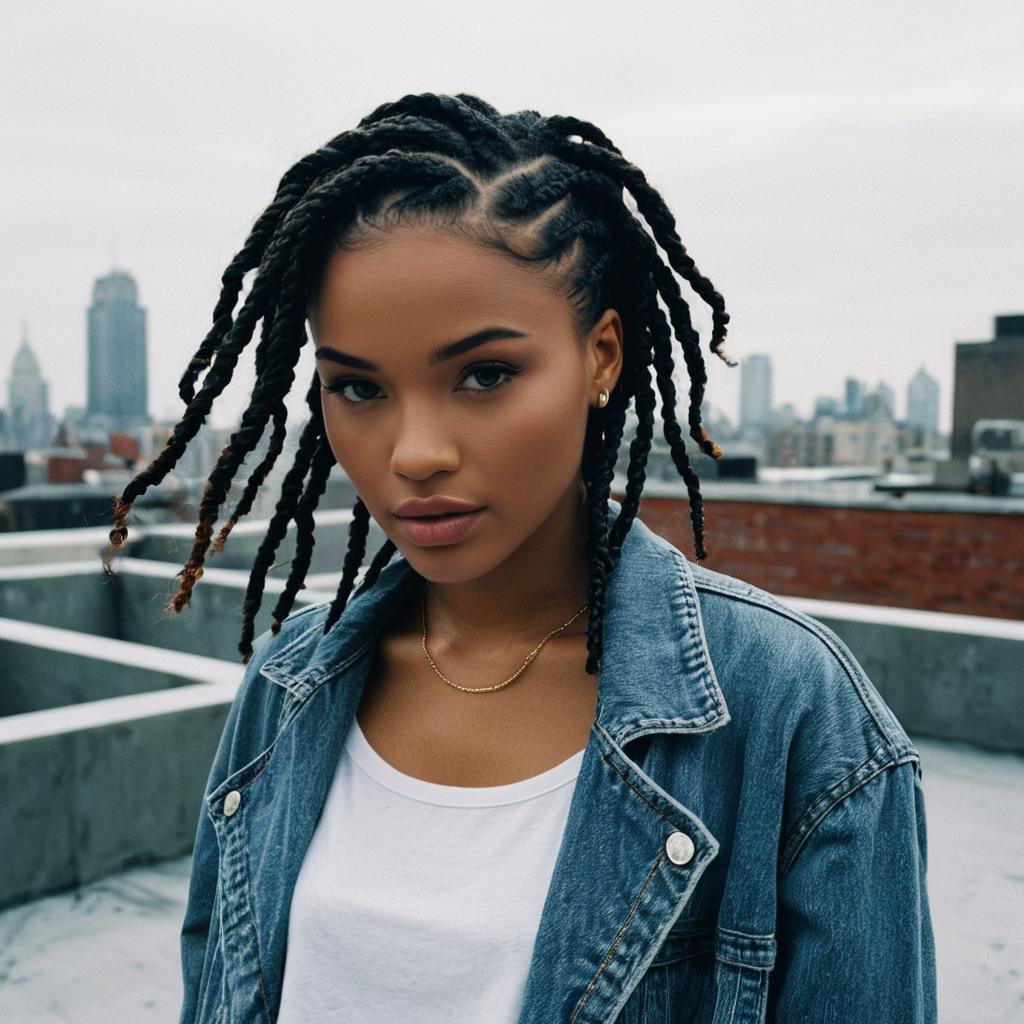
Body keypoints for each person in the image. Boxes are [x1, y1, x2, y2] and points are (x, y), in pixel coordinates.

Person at [103, 92, 936, 1024]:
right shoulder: (288, 682)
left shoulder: (795, 715)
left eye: (485, 374)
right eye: (358, 387)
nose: (414, 452)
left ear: (603, 358)